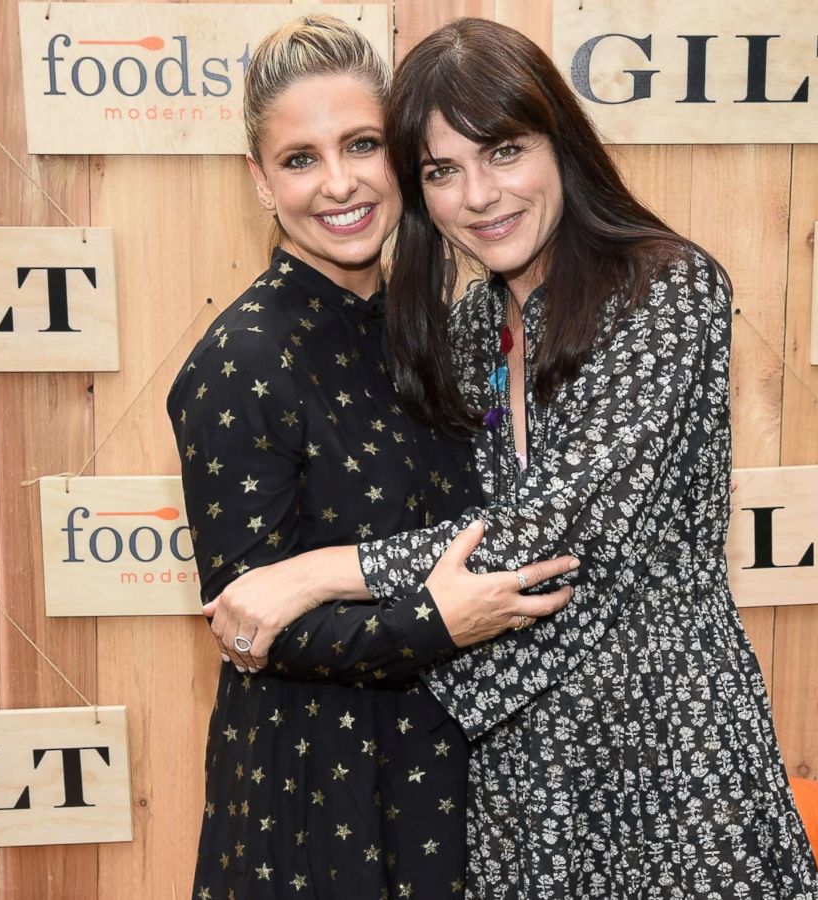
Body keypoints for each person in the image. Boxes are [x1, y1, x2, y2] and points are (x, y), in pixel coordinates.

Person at [204, 17, 818, 900]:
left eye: (503, 153)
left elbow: (552, 530)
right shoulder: (462, 334)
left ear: (559, 144)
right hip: (517, 769)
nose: (481, 196)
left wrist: (313, 573)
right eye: (443, 171)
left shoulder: (667, 291)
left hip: (668, 746)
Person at [166, 16, 574, 900]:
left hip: (455, 773)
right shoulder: (240, 361)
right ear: (260, 182)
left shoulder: (435, 331)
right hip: (316, 792)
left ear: (399, 157)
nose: (340, 183)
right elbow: (253, 623)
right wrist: (435, 623)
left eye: (361, 145)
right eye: (301, 158)